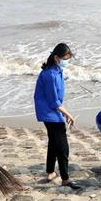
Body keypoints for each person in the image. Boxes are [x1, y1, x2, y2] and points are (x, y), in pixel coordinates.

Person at [33, 43, 81, 190]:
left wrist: (63, 112)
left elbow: (57, 100)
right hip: (49, 112)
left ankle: (51, 172)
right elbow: (54, 101)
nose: (67, 61)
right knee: (62, 147)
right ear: (56, 57)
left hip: (53, 111)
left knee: (54, 141)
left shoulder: (57, 71)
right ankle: (65, 179)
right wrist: (68, 114)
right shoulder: (49, 75)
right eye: (65, 58)